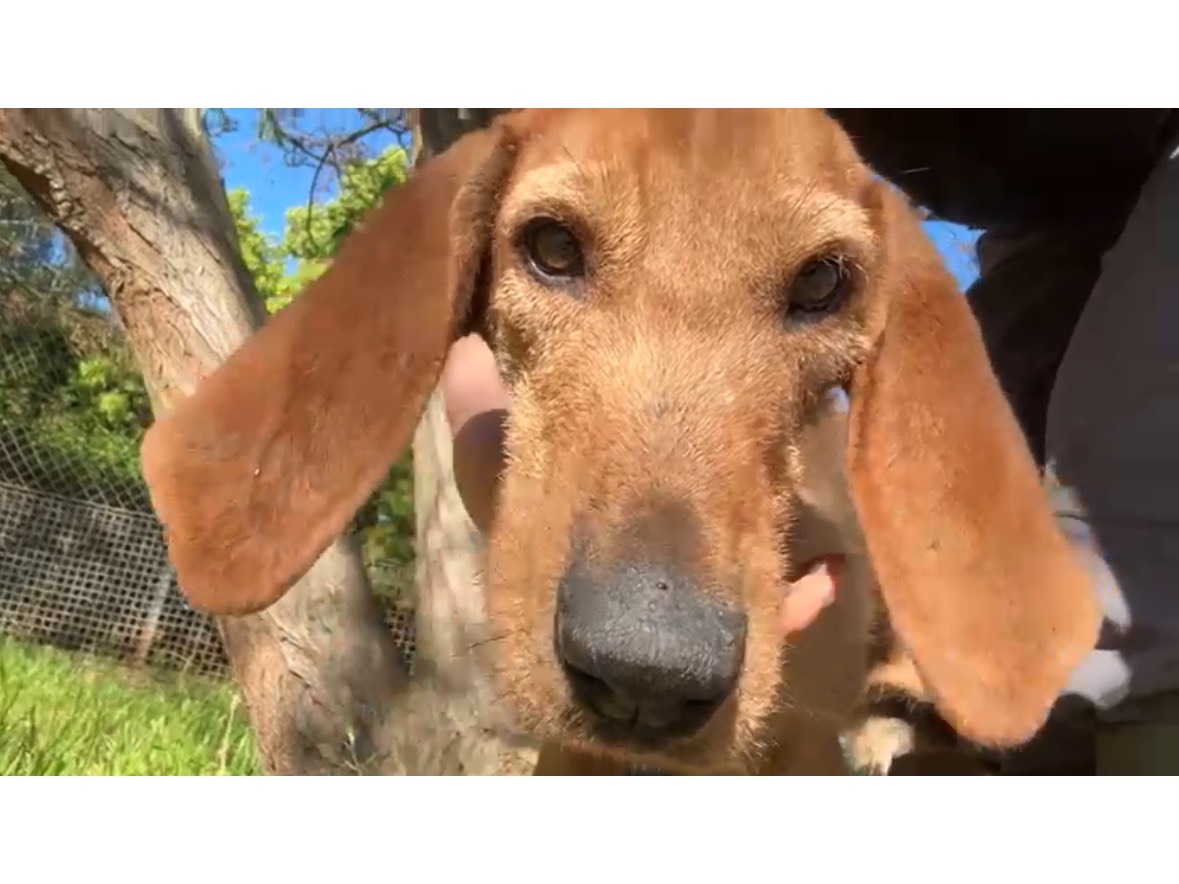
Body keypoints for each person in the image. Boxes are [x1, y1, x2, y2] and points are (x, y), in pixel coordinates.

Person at [435, 109, 1179, 775]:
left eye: (815, 288)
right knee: (1028, 502)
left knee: (1124, 510)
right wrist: (502, 479)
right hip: (1035, 205)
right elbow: (460, 310)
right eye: (556, 246)